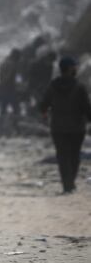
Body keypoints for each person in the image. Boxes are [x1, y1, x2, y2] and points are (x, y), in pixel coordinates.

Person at [39, 57, 91, 194]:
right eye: (75, 66)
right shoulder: (80, 87)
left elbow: (43, 105)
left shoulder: (52, 86)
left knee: (62, 156)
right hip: (77, 128)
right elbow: (87, 108)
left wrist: (45, 113)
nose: (77, 69)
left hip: (58, 127)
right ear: (69, 68)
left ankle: (67, 185)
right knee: (74, 156)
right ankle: (71, 183)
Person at [0, 48, 23, 136]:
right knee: (16, 110)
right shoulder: (14, 65)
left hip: (2, 90)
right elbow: (17, 79)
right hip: (11, 90)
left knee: (2, 110)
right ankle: (17, 129)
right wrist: (20, 87)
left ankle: (0, 130)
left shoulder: (3, 63)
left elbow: (0, 77)